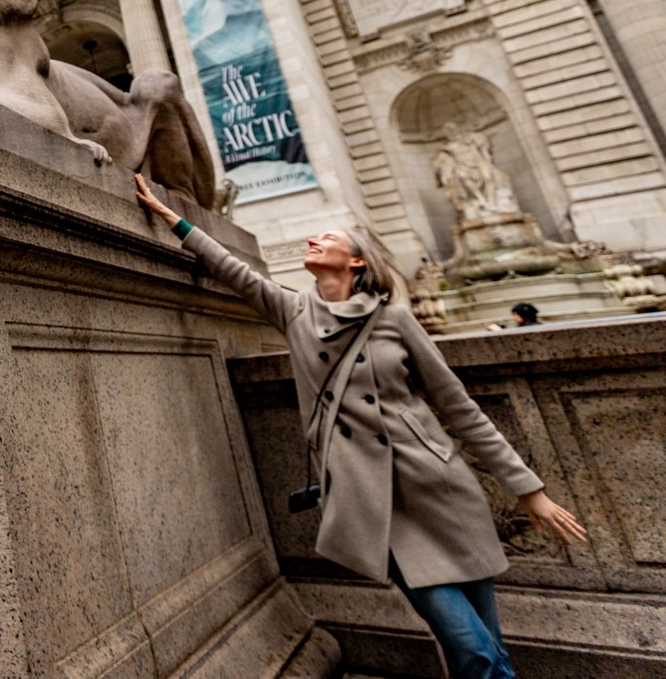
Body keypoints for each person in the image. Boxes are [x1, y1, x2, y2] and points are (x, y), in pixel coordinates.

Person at [132, 174, 585, 679]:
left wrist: (528, 489)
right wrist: (174, 219)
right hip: (374, 502)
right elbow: (232, 270)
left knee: (484, 647)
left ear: (357, 261)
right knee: (474, 650)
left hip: (440, 489)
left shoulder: (394, 320)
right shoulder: (295, 311)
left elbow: (459, 409)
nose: (313, 240)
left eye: (327, 238)